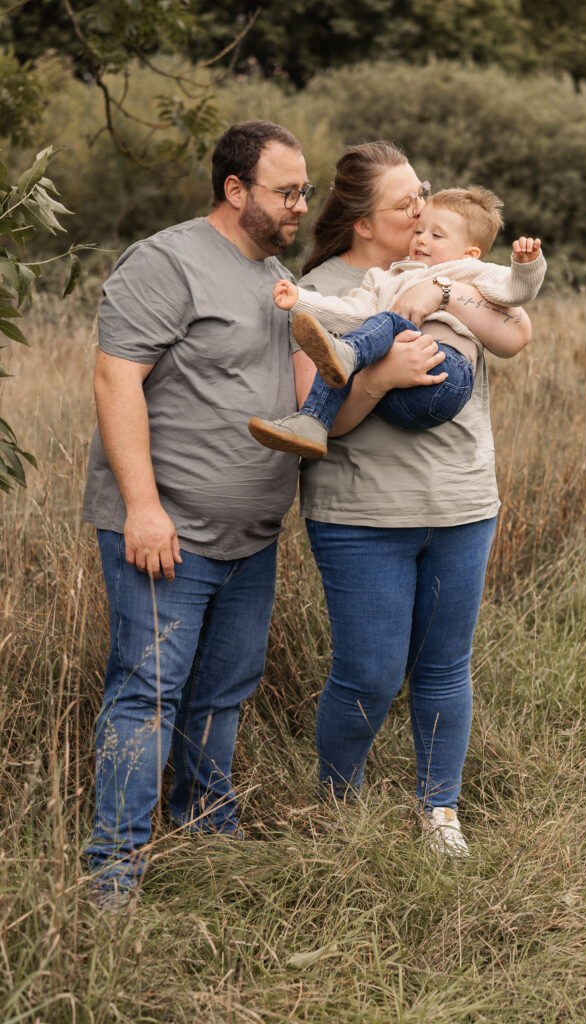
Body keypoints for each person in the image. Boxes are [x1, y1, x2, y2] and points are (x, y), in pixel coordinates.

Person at [81, 119, 318, 906]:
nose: (300, 205)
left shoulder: (276, 276)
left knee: (223, 691)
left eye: (305, 192)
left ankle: (206, 824)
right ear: (234, 189)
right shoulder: (167, 261)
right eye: (287, 192)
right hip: (166, 534)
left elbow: (299, 396)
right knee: (146, 694)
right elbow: (117, 383)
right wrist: (144, 509)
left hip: (250, 536)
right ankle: (114, 870)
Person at [287, 141, 532, 856]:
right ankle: (339, 806)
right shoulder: (324, 291)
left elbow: (517, 329)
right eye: (406, 203)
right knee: (367, 672)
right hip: (361, 513)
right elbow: (316, 420)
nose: (423, 209)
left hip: (460, 504)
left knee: (443, 667)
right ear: (363, 222)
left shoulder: (451, 267)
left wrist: (451, 289)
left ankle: (440, 813)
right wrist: (380, 375)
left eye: (422, 194)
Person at [249, 186, 544, 457]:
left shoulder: (469, 270)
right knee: (353, 352)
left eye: (436, 235)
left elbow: (515, 291)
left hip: (447, 376)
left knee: (382, 325)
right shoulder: (386, 278)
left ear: (470, 253)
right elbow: (351, 312)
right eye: (419, 230)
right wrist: (299, 300)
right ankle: (312, 423)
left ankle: (347, 355)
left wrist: (527, 264)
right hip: (400, 400)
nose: (422, 238)